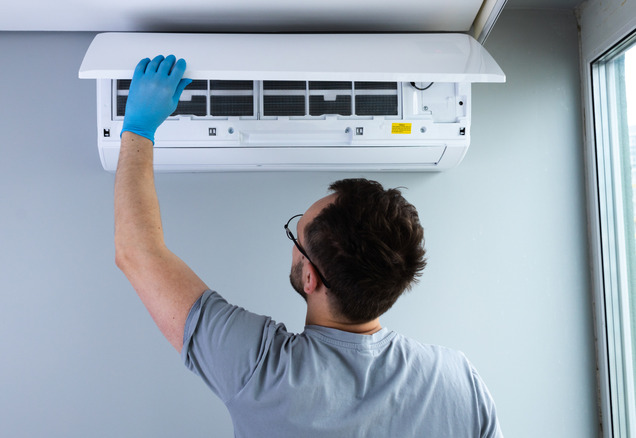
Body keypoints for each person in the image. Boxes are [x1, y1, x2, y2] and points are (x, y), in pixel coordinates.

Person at [114, 54, 503, 438]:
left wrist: (139, 127)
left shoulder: (261, 370)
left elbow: (138, 252)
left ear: (311, 278)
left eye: (295, 238)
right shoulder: (459, 381)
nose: (294, 247)